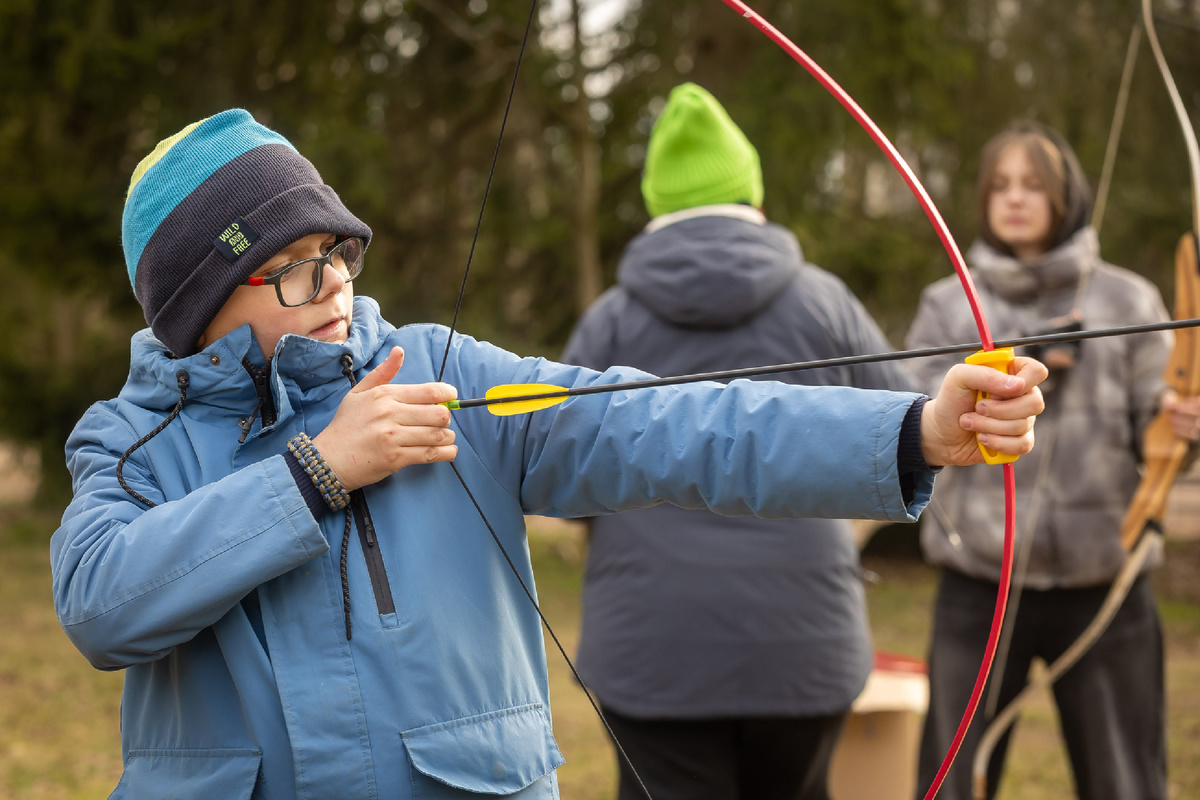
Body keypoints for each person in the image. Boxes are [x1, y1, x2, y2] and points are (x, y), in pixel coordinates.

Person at [51, 109, 1044, 800]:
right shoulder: (131, 443)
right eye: (297, 269)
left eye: (341, 254)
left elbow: (670, 423)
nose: (338, 286)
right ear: (198, 303)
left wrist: (911, 428)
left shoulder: (443, 376)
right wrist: (314, 473)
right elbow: (99, 602)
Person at [561, 82, 917, 800]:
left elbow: (562, 481)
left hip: (652, 654)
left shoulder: (611, 319)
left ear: (659, 204)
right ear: (750, 194)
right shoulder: (825, 300)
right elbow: (908, 442)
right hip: (805, 646)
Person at [907, 121, 1199, 800]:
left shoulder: (1125, 300)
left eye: (1034, 185)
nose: (1015, 198)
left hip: (1104, 582)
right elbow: (912, 417)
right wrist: (1014, 360)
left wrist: (1179, 422)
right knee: (952, 782)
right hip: (979, 580)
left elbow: (1157, 438)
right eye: (1001, 185)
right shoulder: (949, 301)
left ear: (1066, 195)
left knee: (1124, 781)